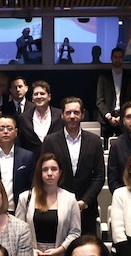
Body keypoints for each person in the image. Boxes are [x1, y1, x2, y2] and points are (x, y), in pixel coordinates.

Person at [13, 153, 82, 256]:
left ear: (60, 172)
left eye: (54, 169)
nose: (49, 173)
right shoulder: (26, 197)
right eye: (45, 170)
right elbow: (17, 230)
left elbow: (75, 232)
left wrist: (59, 250)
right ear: (40, 173)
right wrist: (31, 250)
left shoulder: (70, 198)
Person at [41, 98, 105, 235]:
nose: (72, 116)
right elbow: (45, 173)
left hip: (87, 208)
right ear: (62, 115)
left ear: (82, 114)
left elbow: (99, 176)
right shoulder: (50, 141)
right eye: (68, 112)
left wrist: (84, 201)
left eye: (76, 112)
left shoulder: (94, 141)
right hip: (57, 206)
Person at [0, 114, 37, 202]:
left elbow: (32, 184)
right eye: (1, 129)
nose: (5, 131)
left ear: (16, 132)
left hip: (20, 208)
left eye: (9, 128)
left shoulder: (27, 156)